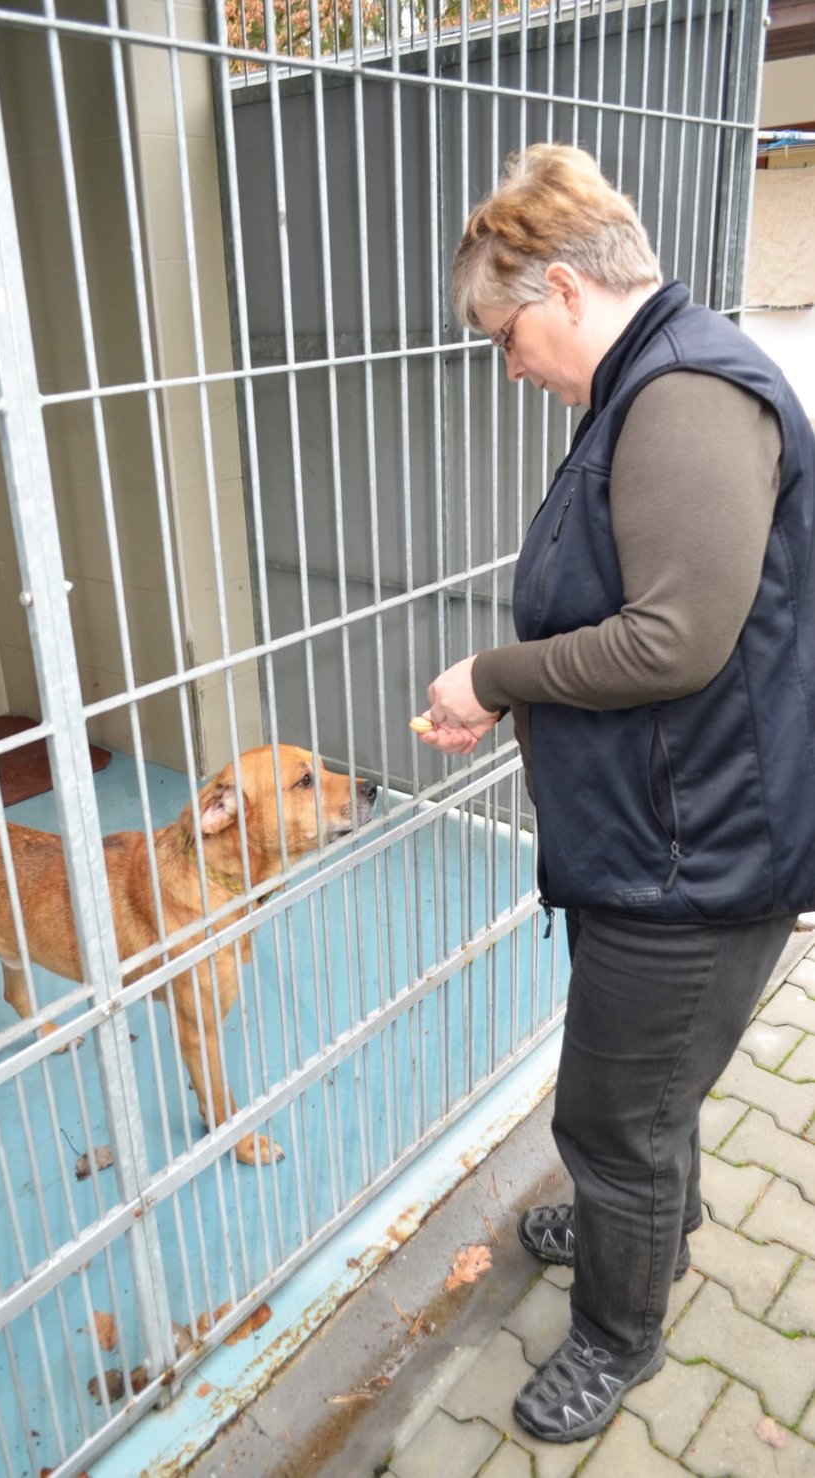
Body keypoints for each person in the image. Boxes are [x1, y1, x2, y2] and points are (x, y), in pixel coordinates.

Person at [418, 143, 815, 1444]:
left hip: (692, 862)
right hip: (660, 836)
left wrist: (492, 674)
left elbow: (676, 639)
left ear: (557, 289)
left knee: (612, 1109)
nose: (508, 363)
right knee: (645, 1098)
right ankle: (627, 1217)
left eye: (502, 332)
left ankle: (618, 1328)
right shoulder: (646, 381)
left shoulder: (685, 394)